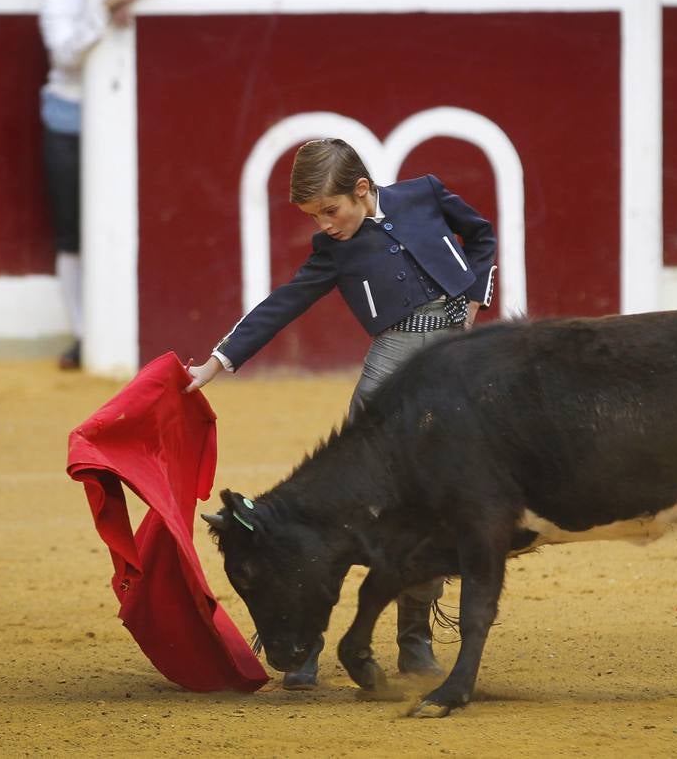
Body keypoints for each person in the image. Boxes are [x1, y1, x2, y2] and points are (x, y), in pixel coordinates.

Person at [184, 137, 497, 690]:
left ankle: (415, 638)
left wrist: (473, 295)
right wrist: (216, 362)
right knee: (348, 495)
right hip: (393, 362)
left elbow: (481, 235)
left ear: (362, 189)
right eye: (314, 216)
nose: (326, 224)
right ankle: (306, 642)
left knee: (440, 500)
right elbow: (280, 305)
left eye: (331, 211)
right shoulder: (334, 250)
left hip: (455, 361)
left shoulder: (422, 194)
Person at [39, 0, 188, 370]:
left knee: (119, 222)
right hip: (66, 119)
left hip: (119, 122)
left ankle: (111, 327)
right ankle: (84, 334)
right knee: (70, 232)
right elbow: (65, 55)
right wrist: (103, 9)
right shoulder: (60, 0)